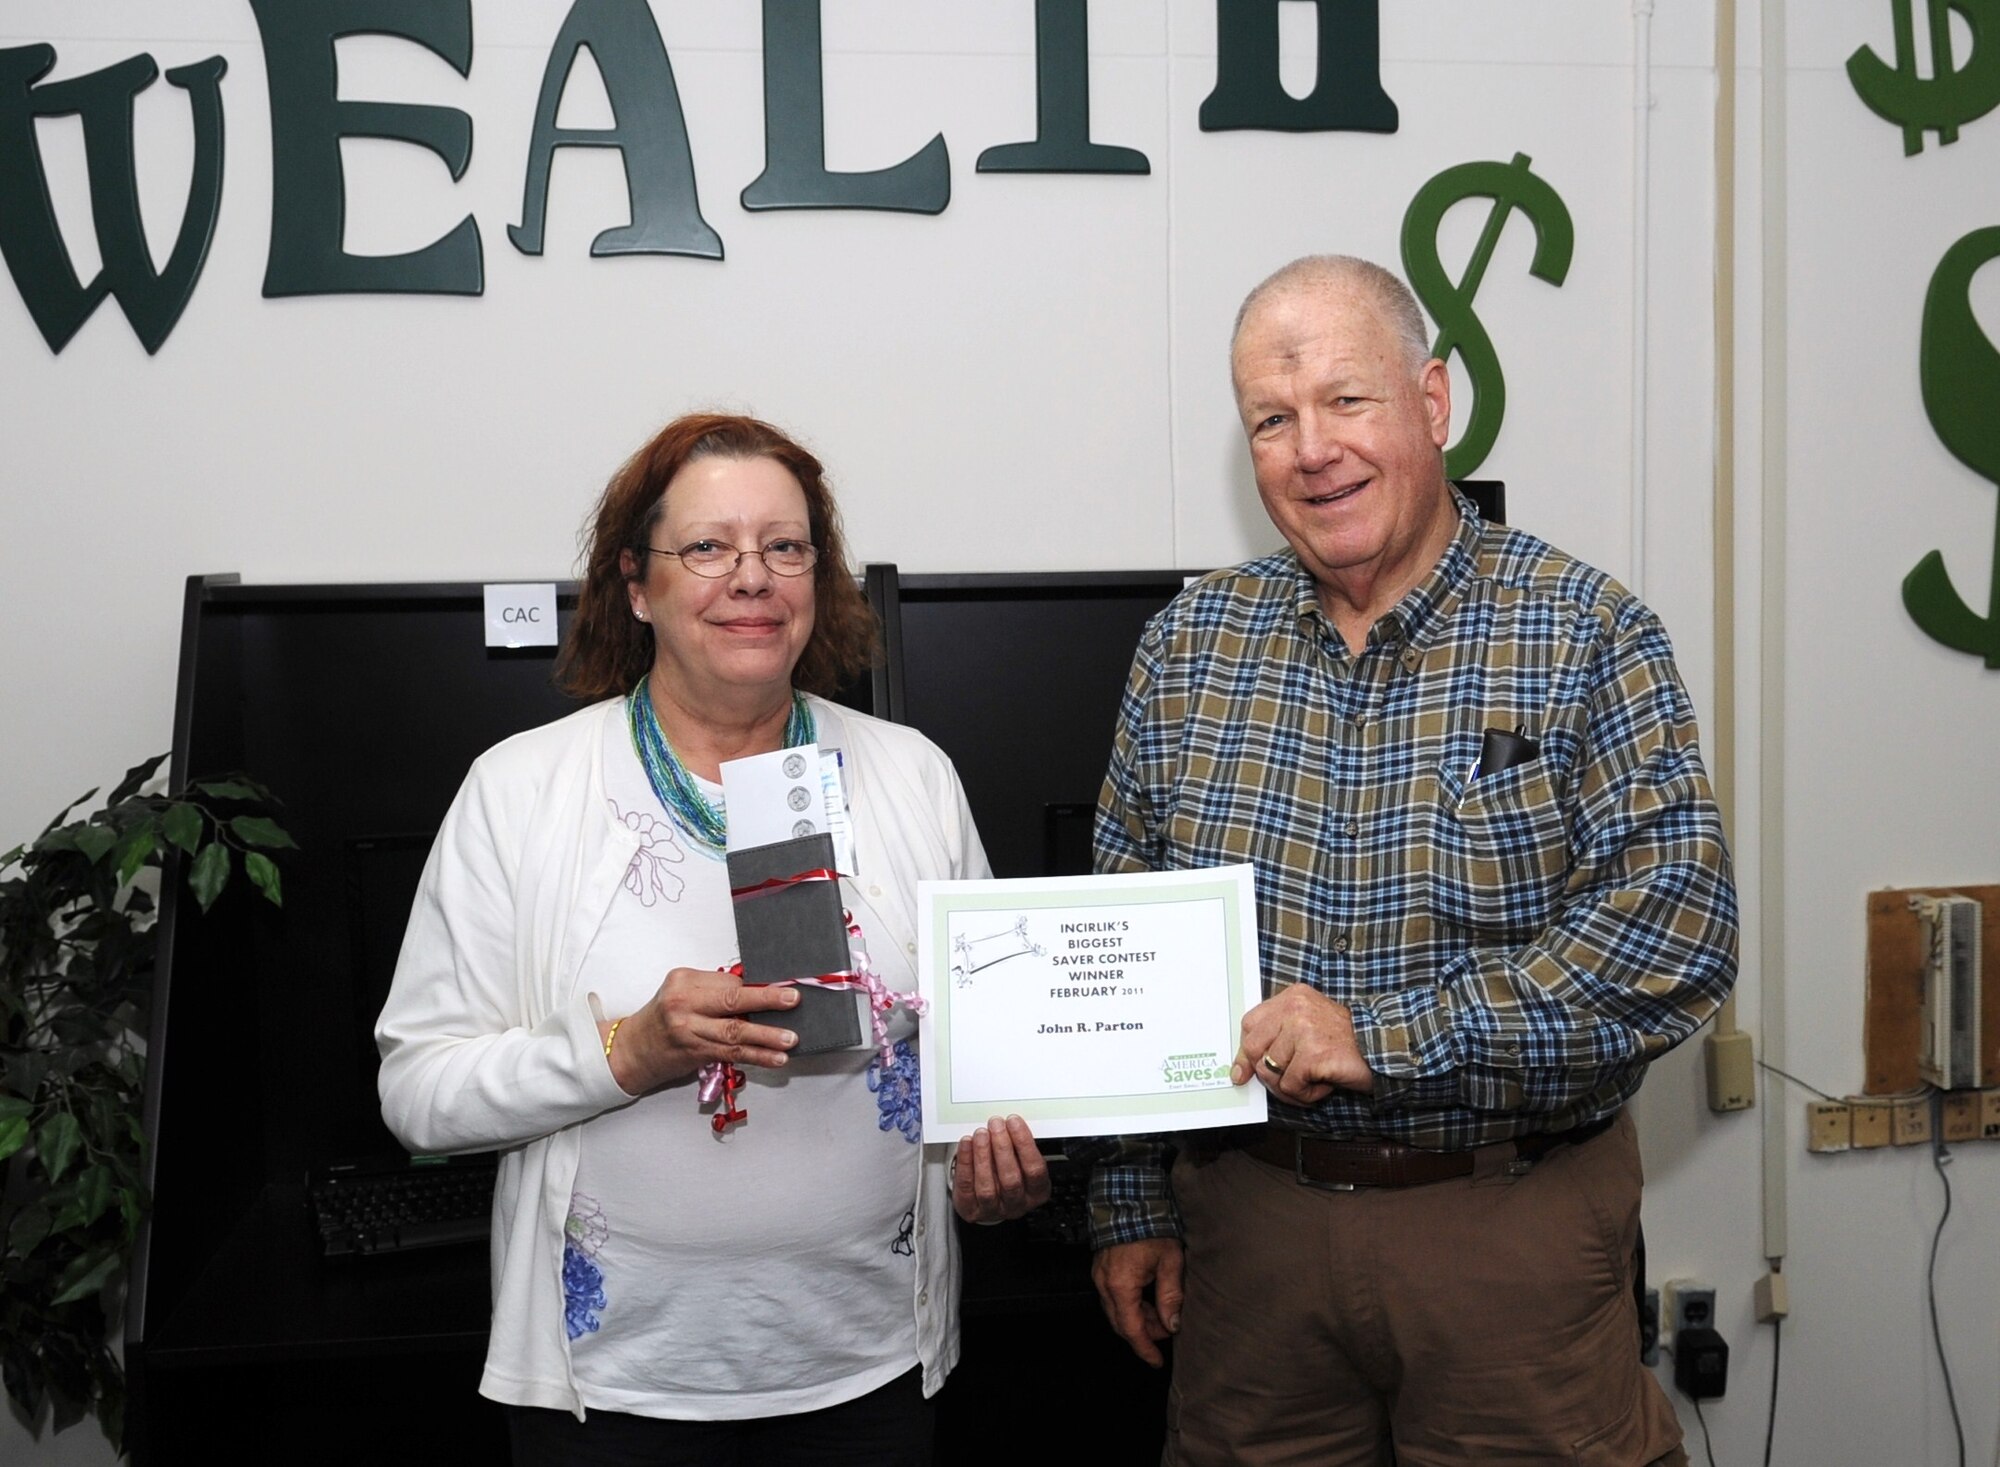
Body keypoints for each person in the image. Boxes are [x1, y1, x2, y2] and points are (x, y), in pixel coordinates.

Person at [1081, 257, 1738, 1466]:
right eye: (1271, 420)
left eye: (1346, 401)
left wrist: (1379, 1041)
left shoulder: (1586, 631)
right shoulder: (1186, 647)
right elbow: (1127, 941)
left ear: (1431, 404)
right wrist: (1129, 1199)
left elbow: (1671, 940)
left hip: (1507, 1235)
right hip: (1251, 1241)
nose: (1310, 449)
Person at [375, 412, 1048, 1466]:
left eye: (784, 548)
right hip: (609, 1393)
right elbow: (418, 1089)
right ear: (636, 585)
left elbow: (984, 1058)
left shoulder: (910, 774)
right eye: (708, 548)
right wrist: (625, 1054)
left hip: (865, 1370)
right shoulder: (520, 790)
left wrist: (991, 1162)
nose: (752, 578)